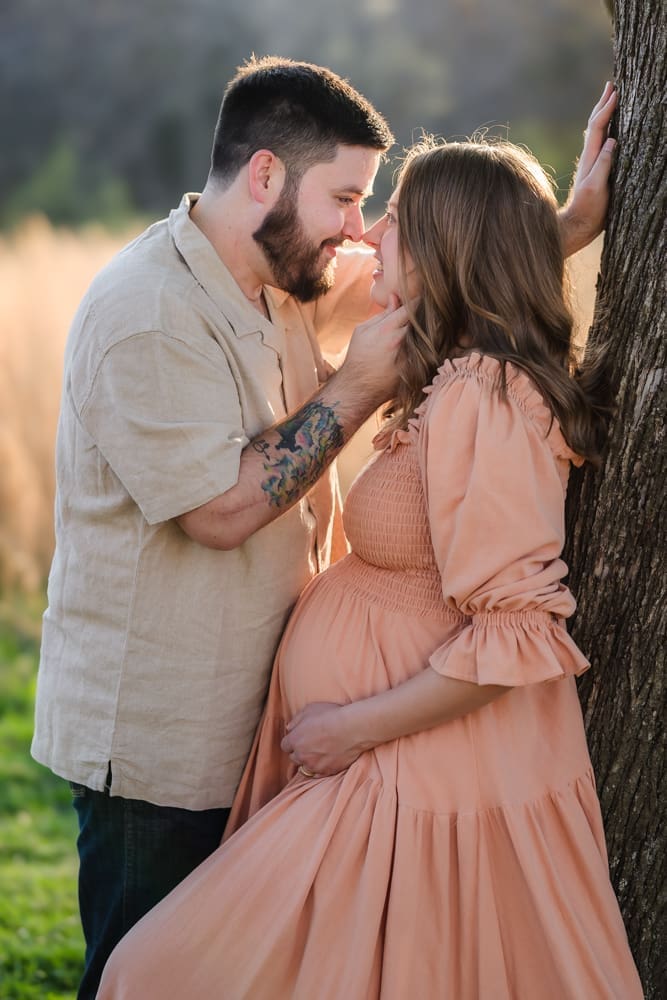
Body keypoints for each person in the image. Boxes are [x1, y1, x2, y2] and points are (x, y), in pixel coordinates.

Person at [31, 52, 615, 997]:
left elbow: (460, 267)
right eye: (345, 200)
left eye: (376, 209)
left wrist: (568, 223)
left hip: (294, 734)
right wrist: (351, 391)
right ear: (265, 175)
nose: (361, 231)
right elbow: (220, 512)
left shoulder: (284, 275)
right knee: (149, 967)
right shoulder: (149, 315)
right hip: (164, 741)